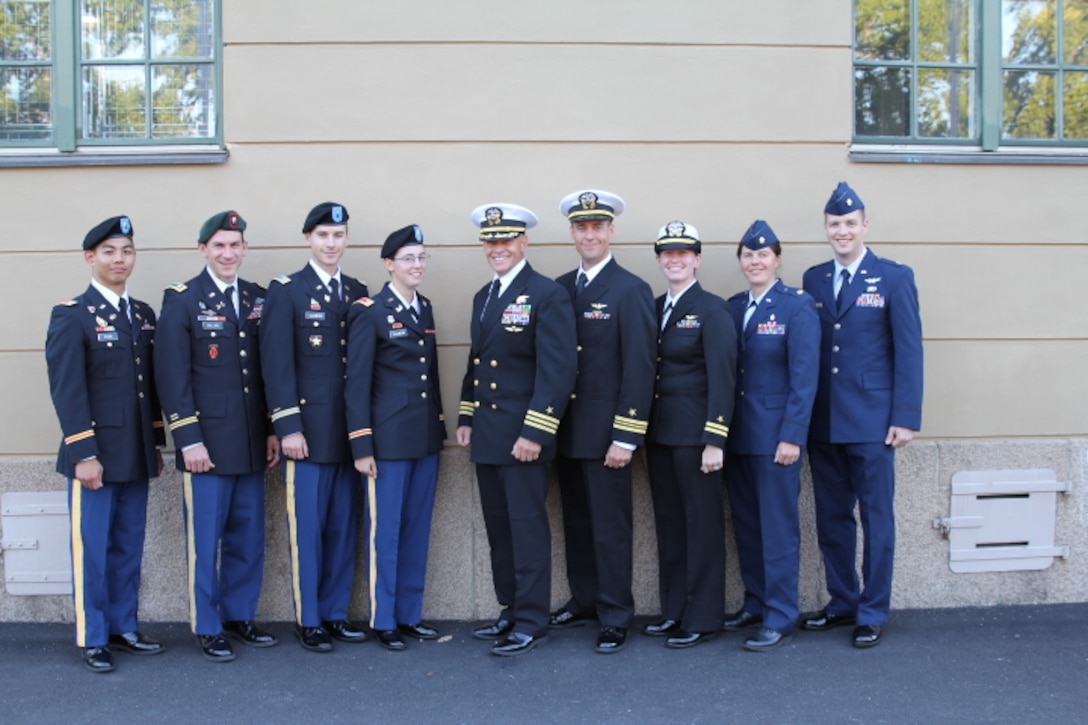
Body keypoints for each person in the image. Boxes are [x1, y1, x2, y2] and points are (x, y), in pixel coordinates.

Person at [154, 210, 281, 663]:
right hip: (205, 445)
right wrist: (189, 440)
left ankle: (239, 615)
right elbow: (172, 377)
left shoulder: (257, 298)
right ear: (203, 249)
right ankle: (207, 625)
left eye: (235, 245)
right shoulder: (183, 301)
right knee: (205, 540)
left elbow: (267, 374)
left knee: (248, 537)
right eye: (219, 245)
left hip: (248, 442)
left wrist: (269, 430)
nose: (228, 253)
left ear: (245, 249)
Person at [801, 182, 923, 649]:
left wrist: (905, 415)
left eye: (850, 223)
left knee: (876, 518)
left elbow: (908, 350)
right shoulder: (813, 279)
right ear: (827, 230)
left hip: (874, 421)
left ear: (864, 226)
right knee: (832, 517)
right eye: (835, 225)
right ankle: (842, 602)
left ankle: (872, 610)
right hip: (824, 420)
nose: (842, 231)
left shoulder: (893, 277)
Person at [45, 215, 167, 673]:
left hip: (134, 453)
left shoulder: (141, 316)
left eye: (127, 251)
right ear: (90, 258)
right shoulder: (72, 315)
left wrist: (155, 443)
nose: (120, 259)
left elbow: (147, 388)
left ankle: (123, 626)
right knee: (92, 548)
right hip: (94, 458)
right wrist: (84, 454)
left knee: (127, 545)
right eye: (110, 252)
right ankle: (93, 636)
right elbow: (68, 390)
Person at [456, 203, 577, 657]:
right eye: (491, 241)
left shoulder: (546, 294)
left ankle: (531, 619)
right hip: (489, 434)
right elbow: (476, 363)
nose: (498, 248)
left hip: (524, 437)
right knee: (499, 530)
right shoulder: (483, 296)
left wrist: (536, 432)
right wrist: (467, 416)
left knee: (526, 531)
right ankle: (510, 608)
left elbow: (557, 370)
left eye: (507, 240)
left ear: (524, 243)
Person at [260, 202, 370, 652]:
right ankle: (310, 619)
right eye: (323, 235)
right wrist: (287, 427)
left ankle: (337, 613)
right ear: (308, 238)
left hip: (350, 435)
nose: (331, 243)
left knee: (345, 527)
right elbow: (276, 364)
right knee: (308, 529)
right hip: (306, 435)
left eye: (339, 235)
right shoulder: (286, 291)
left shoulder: (359, 291)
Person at [550, 190, 655, 654]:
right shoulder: (560, 288)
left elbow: (639, 367)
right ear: (572, 233)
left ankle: (615, 612)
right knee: (576, 521)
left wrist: (626, 436)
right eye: (581, 227)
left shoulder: (630, 289)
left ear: (611, 231)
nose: (589, 235)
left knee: (610, 526)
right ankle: (587, 598)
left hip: (608, 434)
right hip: (566, 431)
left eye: (597, 227)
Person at [346, 224, 445, 652]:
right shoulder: (369, 310)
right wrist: (362, 445)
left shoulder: (424, 307)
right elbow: (357, 383)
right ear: (389, 264)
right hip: (386, 443)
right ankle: (384, 618)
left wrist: (439, 427)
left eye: (421, 257)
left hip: (423, 439)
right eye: (408, 258)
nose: (416, 265)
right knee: (384, 533)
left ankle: (409, 614)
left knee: (416, 530)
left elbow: (431, 376)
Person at [723, 220, 819, 652]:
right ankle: (757, 601)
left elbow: (804, 377)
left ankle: (781, 614)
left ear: (777, 260)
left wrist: (793, 435)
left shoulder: (796, 307)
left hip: (776, 437)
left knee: (778, 528)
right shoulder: (733, 306)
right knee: (747, 525)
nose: (755, 261)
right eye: (748, 255)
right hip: (739, 436)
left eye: (763, 255)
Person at [643, 221, 737, 649]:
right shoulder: (656, 305)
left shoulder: (712, 309)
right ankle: (675, 610)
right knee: (671, 527)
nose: (674, 260)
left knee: (700, 527)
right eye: (667, 254)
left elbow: (722, 377)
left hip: (697, 440)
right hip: (662, 435)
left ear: (697, 259)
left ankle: (702, 617)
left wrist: (715, 439)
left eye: (683, 253)